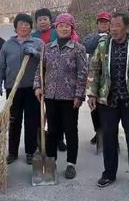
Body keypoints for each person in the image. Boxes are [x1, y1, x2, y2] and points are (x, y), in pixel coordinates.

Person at [86, 12, 129, 195]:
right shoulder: (103, 45)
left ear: (126, 27)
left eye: (117, 26)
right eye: (112, 26)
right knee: (109, 138)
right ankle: (109, 173)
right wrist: (92, 93)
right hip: (108, 100)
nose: (113, 29)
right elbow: (94, 68)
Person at [34, 13, 88, 179]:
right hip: (50, 95)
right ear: (55, 28)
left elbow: (83, 73)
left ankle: (71, 163)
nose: (63, 28)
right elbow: (39, 69)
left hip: (70, 98)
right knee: (52, 130)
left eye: (67, 26)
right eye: (60, 26)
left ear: (71, 28)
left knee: (71, 130)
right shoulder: (47, 47)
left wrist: (79, 95)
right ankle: (51, 161)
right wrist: (37, 86)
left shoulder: (78, 48)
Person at [0, 13, 43, 165]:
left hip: (32, 88)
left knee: (31, 121)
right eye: (21, 24)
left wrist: (36, 54)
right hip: (12, 88)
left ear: (31, 27)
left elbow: (47, 61)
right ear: (15, 27)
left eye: (27, 24)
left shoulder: (38, 42)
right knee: (14, 121)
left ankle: (30, 151)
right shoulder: (8, 44)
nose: (24, 26)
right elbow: (0, 65)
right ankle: (12, 152)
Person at [32, 7, 66, 151]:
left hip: (56, 78)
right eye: (40, 20)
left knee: (57, 111)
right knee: (40, 112)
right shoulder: (33, 36)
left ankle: (59, 138)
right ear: (36, 22)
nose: (43, 22)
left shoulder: (56, 33)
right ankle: (41, 139)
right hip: (40, 77)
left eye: (45, 19)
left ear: (50, 20)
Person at [82, 11, 112, 144]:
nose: (103, 24)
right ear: (97, 24)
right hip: (94, 77)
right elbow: (86, 47)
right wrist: (99, 36)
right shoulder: (91, 37)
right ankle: (98, 132)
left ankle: (110, 134)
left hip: (110, 78)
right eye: (101, 22)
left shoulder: (115, 36)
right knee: (94, 107)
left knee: (110, 107)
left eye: (106, 22)